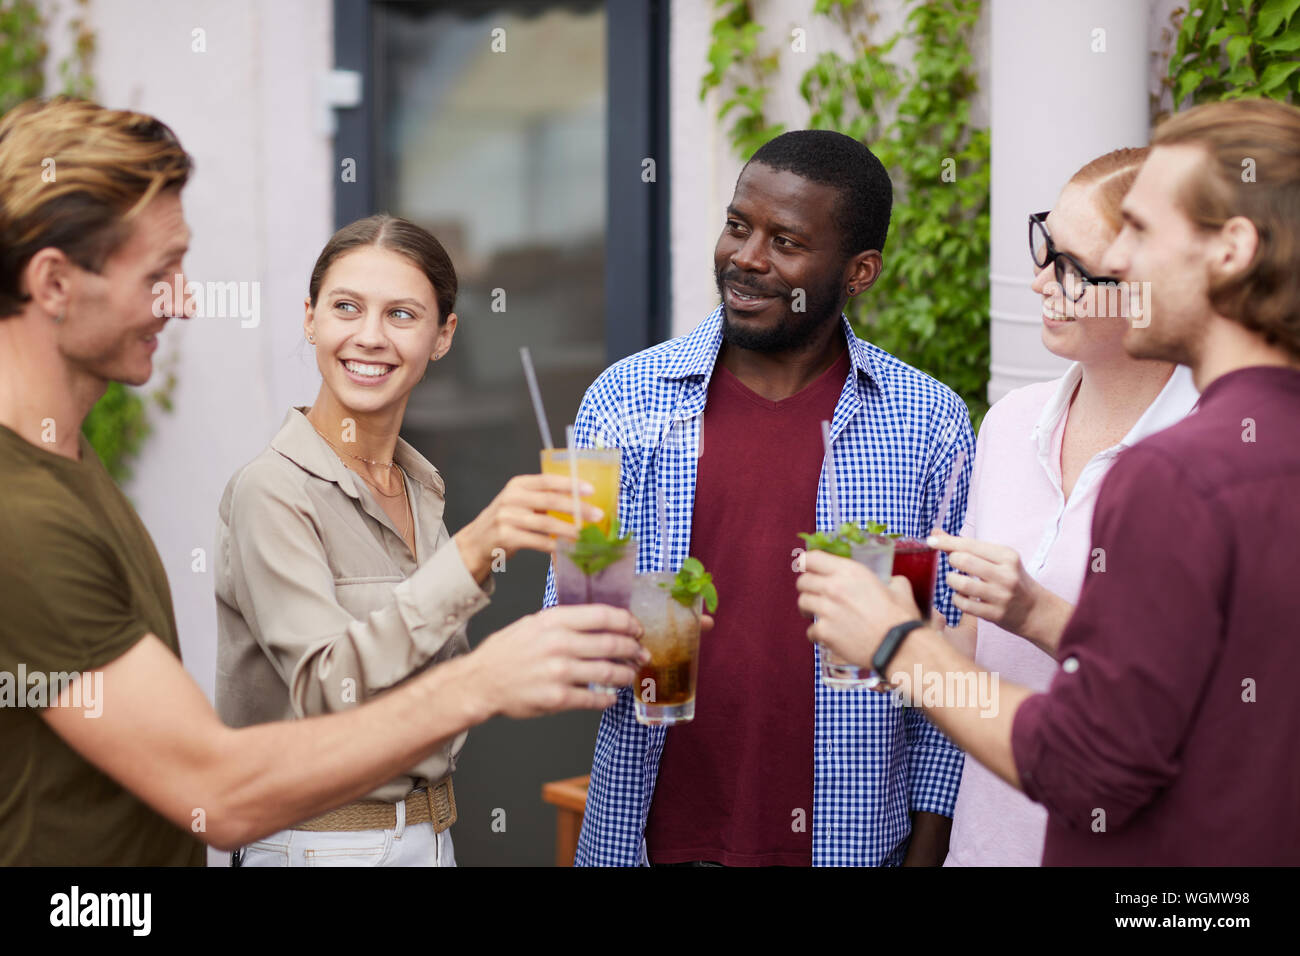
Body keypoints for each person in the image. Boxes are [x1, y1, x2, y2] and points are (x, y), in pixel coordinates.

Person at [0, 96, 645, 867]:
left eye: (402, 314)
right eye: (160, 272)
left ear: (444, 335)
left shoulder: (68, 467)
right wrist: (484, 676)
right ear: (54, 284)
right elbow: (221, 791)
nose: (186, 299)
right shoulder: (24, 515)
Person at [797, 98, 1300, 865]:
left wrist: (896, 644)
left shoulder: (1174, 473)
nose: (1120, 262)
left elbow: (1089, 764)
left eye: (1142, 231)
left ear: (1231, 249)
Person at [548, 129, 975, 867]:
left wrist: (930, 839)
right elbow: (561, 626)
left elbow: (949, 653)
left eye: (786, 241)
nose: (745, 257)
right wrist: (623, 634)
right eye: (738, 225)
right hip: (655, 842)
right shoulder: (620, 401)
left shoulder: (929, 423)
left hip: (852, 843)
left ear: (859, 270)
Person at [215, 215, 615, 866]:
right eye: (346, 308)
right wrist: (474, 549)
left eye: (402, 314)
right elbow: (328, 688)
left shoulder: (419, 487)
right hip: (319, 845)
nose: (369, 337)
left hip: (429, 835)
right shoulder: (273, 490)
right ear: (310, 318)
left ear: (443, 335)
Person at [926, 148, 1200, 866]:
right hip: (987, 843)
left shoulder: (1208, 453)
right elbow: (982, 660)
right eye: (1045, 243)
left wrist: (1038, 613)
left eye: (1071, 268)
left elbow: (1197, 705)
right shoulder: (1010, 423)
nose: (1040, 280)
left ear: (1149, 288)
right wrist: (898, 624)